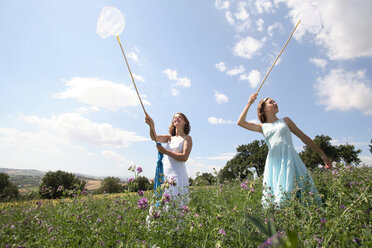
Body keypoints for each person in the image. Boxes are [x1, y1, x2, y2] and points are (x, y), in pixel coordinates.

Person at [237, 93, 331, 207]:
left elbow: (304, 137)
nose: (275, 103)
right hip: (275, 163)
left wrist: (322, 154)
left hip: (290, 159)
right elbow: (240, 122)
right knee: (279, 195)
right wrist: (249, 102)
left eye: (275, 101)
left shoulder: (286, 121)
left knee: (301, 192)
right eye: (271, 102)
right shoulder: (262, 127)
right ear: (264, 108)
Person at [145, 112, 192, 206]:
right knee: (162, 202)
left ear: (185, 122)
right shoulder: (169, 138)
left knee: (176, 204)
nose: (176, 118)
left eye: (180, 117)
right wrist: (151, 125)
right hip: (165, 175)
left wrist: (165, 152)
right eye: (174, 117)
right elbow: (154, 137)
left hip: (178, 176)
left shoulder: (187, 138)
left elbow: (184, 157)